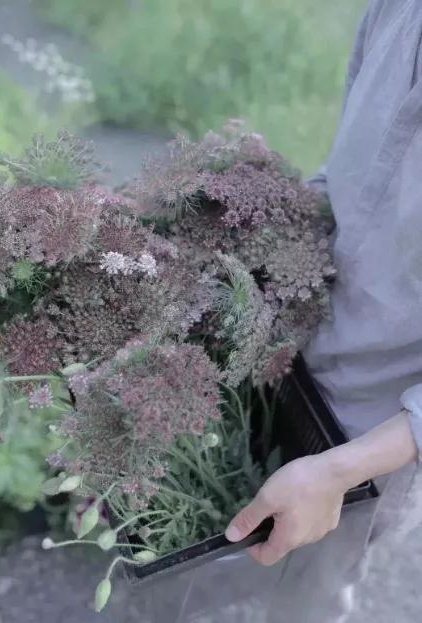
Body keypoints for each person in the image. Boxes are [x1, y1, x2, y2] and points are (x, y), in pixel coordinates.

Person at [214, 0, 422, 620]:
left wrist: (339, 472)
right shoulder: (393, 12)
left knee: (309, 599)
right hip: (291, 359)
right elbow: (349, 183)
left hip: (371, 436)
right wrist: (247, 221)